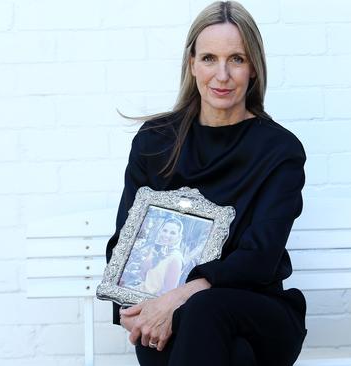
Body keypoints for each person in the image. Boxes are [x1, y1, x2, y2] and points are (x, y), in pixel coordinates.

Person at [105, 1, 307, 365]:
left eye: (237, 59)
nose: (223, 75)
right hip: (169, 319)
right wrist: (136, 305)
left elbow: (259, 259)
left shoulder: (279, 151)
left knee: (203, 309)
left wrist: (182, 294)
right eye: (210, 58)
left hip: (258, 312)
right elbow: (127, 240)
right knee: (233, 356)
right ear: (192, 64)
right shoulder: (155, 142)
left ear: (254, 69)